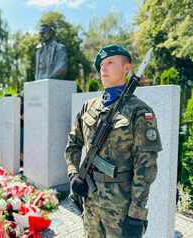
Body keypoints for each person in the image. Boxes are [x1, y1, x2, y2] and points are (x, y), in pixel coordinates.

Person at [64, 44, 162, 238]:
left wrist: (136, 215)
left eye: (110, 62)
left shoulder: (140, 112)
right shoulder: (88, 107)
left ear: (127, 68)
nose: (103, 68)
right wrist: (73, 174)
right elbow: (73, 144)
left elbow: (145, 168)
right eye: (101, 65)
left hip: (120, 207)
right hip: (90, 200)